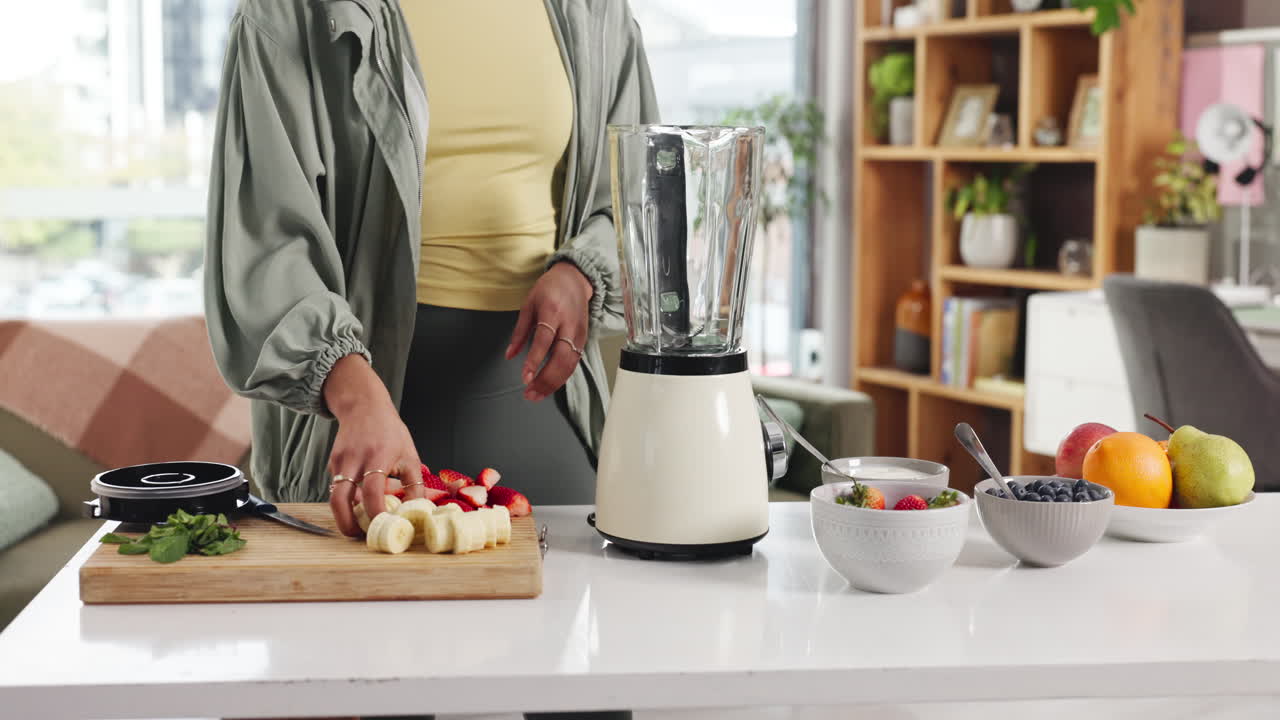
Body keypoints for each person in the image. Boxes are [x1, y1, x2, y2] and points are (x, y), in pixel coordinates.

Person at [205, 1, 656, 719]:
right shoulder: (291, 13)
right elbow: (264, 246)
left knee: (586, 697)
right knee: (372, 695)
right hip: (359, 410)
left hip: (538, 397)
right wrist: (353, 394)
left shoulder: (592, 11)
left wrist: (582, 272)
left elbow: (633, 193)